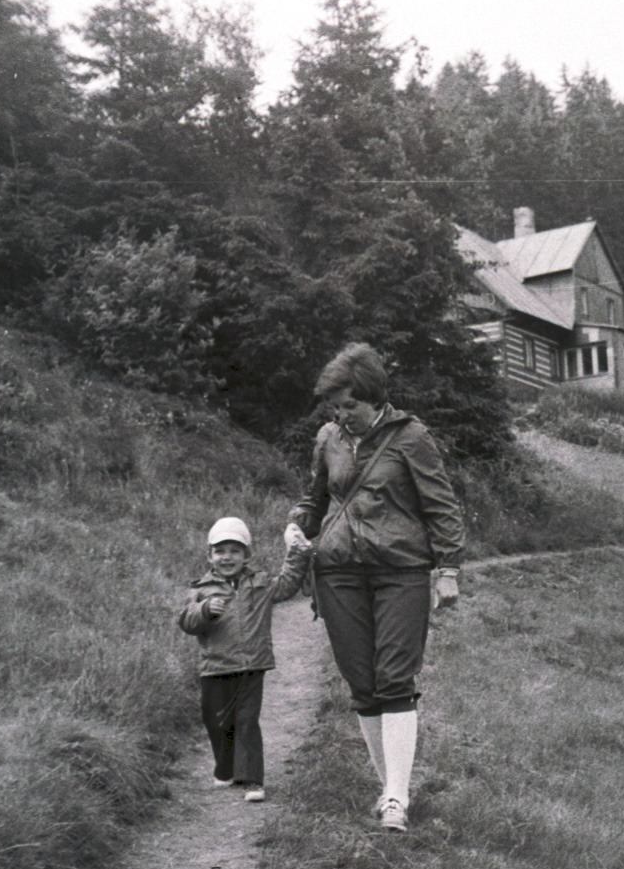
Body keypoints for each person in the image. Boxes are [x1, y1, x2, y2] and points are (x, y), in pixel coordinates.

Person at [289, 342, 465, 832]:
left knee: (394, 680)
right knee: (362, 683)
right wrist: (299, 525)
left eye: (352, 405)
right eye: (336, 407)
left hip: (400, 571)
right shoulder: (328, 438)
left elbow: (441, 506)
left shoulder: (411, 437)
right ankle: (392, 790)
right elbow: (314, 497)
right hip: (338, 572)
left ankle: (396, 798)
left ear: (375, 397)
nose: (344, 416)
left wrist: (447, 568)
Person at [178, 516, 313, 802]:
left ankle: (253, 780)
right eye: (220, 551)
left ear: (247, 555)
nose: (227, 557)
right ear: (209, 556)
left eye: (235, 551)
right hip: (215, 666)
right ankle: (226, 768)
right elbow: (187, 622)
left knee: (247, 720)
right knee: (216, 721)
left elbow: (288, 584)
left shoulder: (260, 584)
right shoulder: (200, 589)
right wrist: (203, 610)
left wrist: (298, 554)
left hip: (253, 665)